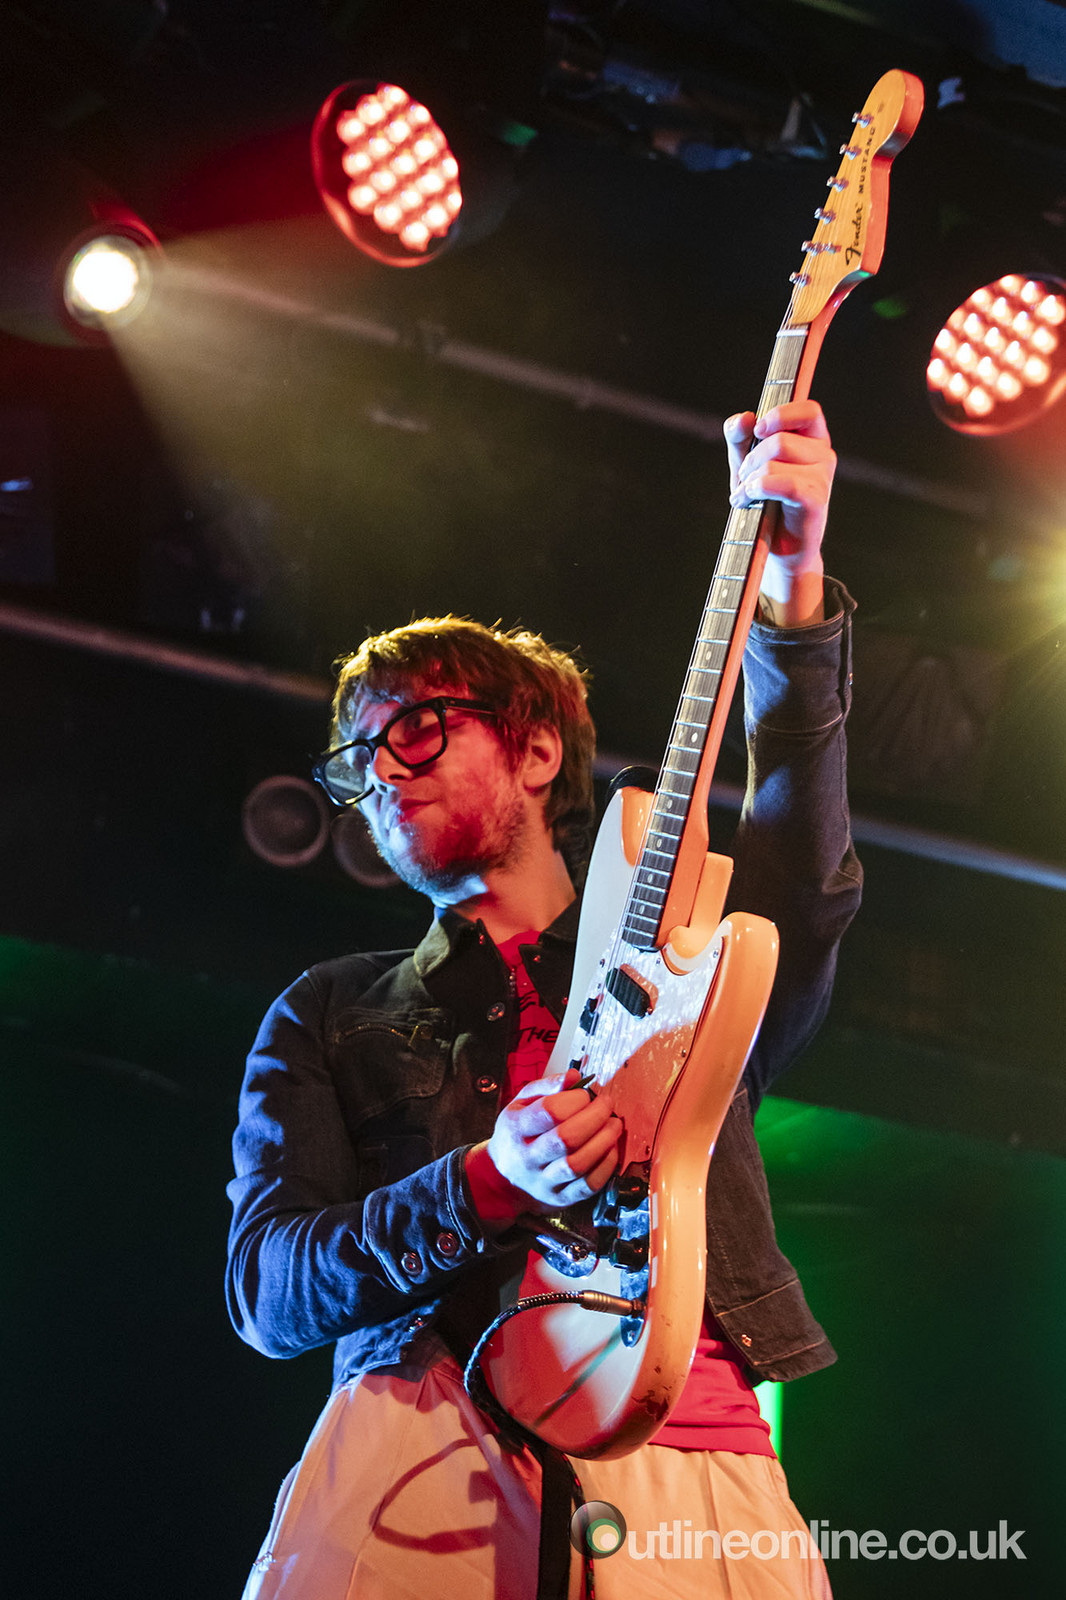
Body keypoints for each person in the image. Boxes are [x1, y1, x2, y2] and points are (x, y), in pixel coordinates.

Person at [226, 399, 862, 1599]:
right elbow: (267, 1289)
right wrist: (484, 1183)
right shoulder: (329, 1009)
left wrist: (792, 584)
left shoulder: (696, 965)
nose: (383, 771)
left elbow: (805, 884)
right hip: (421, 1427)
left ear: (533, 751)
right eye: (361, 757)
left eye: (419, 729)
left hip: (692, 1444)